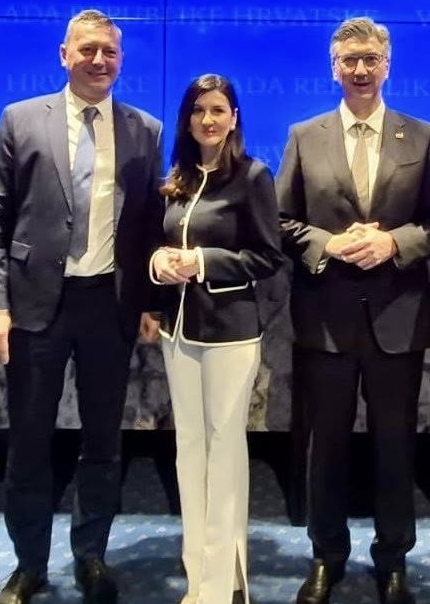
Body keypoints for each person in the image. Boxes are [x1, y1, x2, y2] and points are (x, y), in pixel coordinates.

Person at [0, 10, 165, 604]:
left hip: (110, 304)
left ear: (121, 59)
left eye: (109, 51)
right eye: (87, 50)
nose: (98, 60)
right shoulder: (21, 118)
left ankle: (92, 556)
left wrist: (152, 302)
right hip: (34, 307)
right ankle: (29, 563)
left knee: (103, 442)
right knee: (29, 442)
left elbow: (151, 225)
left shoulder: (146, 129)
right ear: (64, 54)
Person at [276, 17, 430, 604]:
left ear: (388, 65)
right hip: (325, 319)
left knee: (394, 447)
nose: (360, 70)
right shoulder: (304, 135)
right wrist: (326, 245)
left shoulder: (422, 136)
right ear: (333, 67)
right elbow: (280, 222)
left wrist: (393, 243)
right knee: (324, 446)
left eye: (370, 59)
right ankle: (325, 557)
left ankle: (393, 559)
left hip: (396, 318)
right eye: (349, 60)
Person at [149, 74, 285, 604]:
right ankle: (201, 577)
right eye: (199, 110)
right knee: (189, 452)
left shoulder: (253, 176)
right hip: (177, 330)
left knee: (224, 451)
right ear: (187, 119)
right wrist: (159, 264)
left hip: (231, 334)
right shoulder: (177, 179)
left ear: (234, 118)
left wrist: (203, 261)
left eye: (218, 110)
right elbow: (161, 242)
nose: (208, 119)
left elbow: (268, 257)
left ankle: (220, 586)